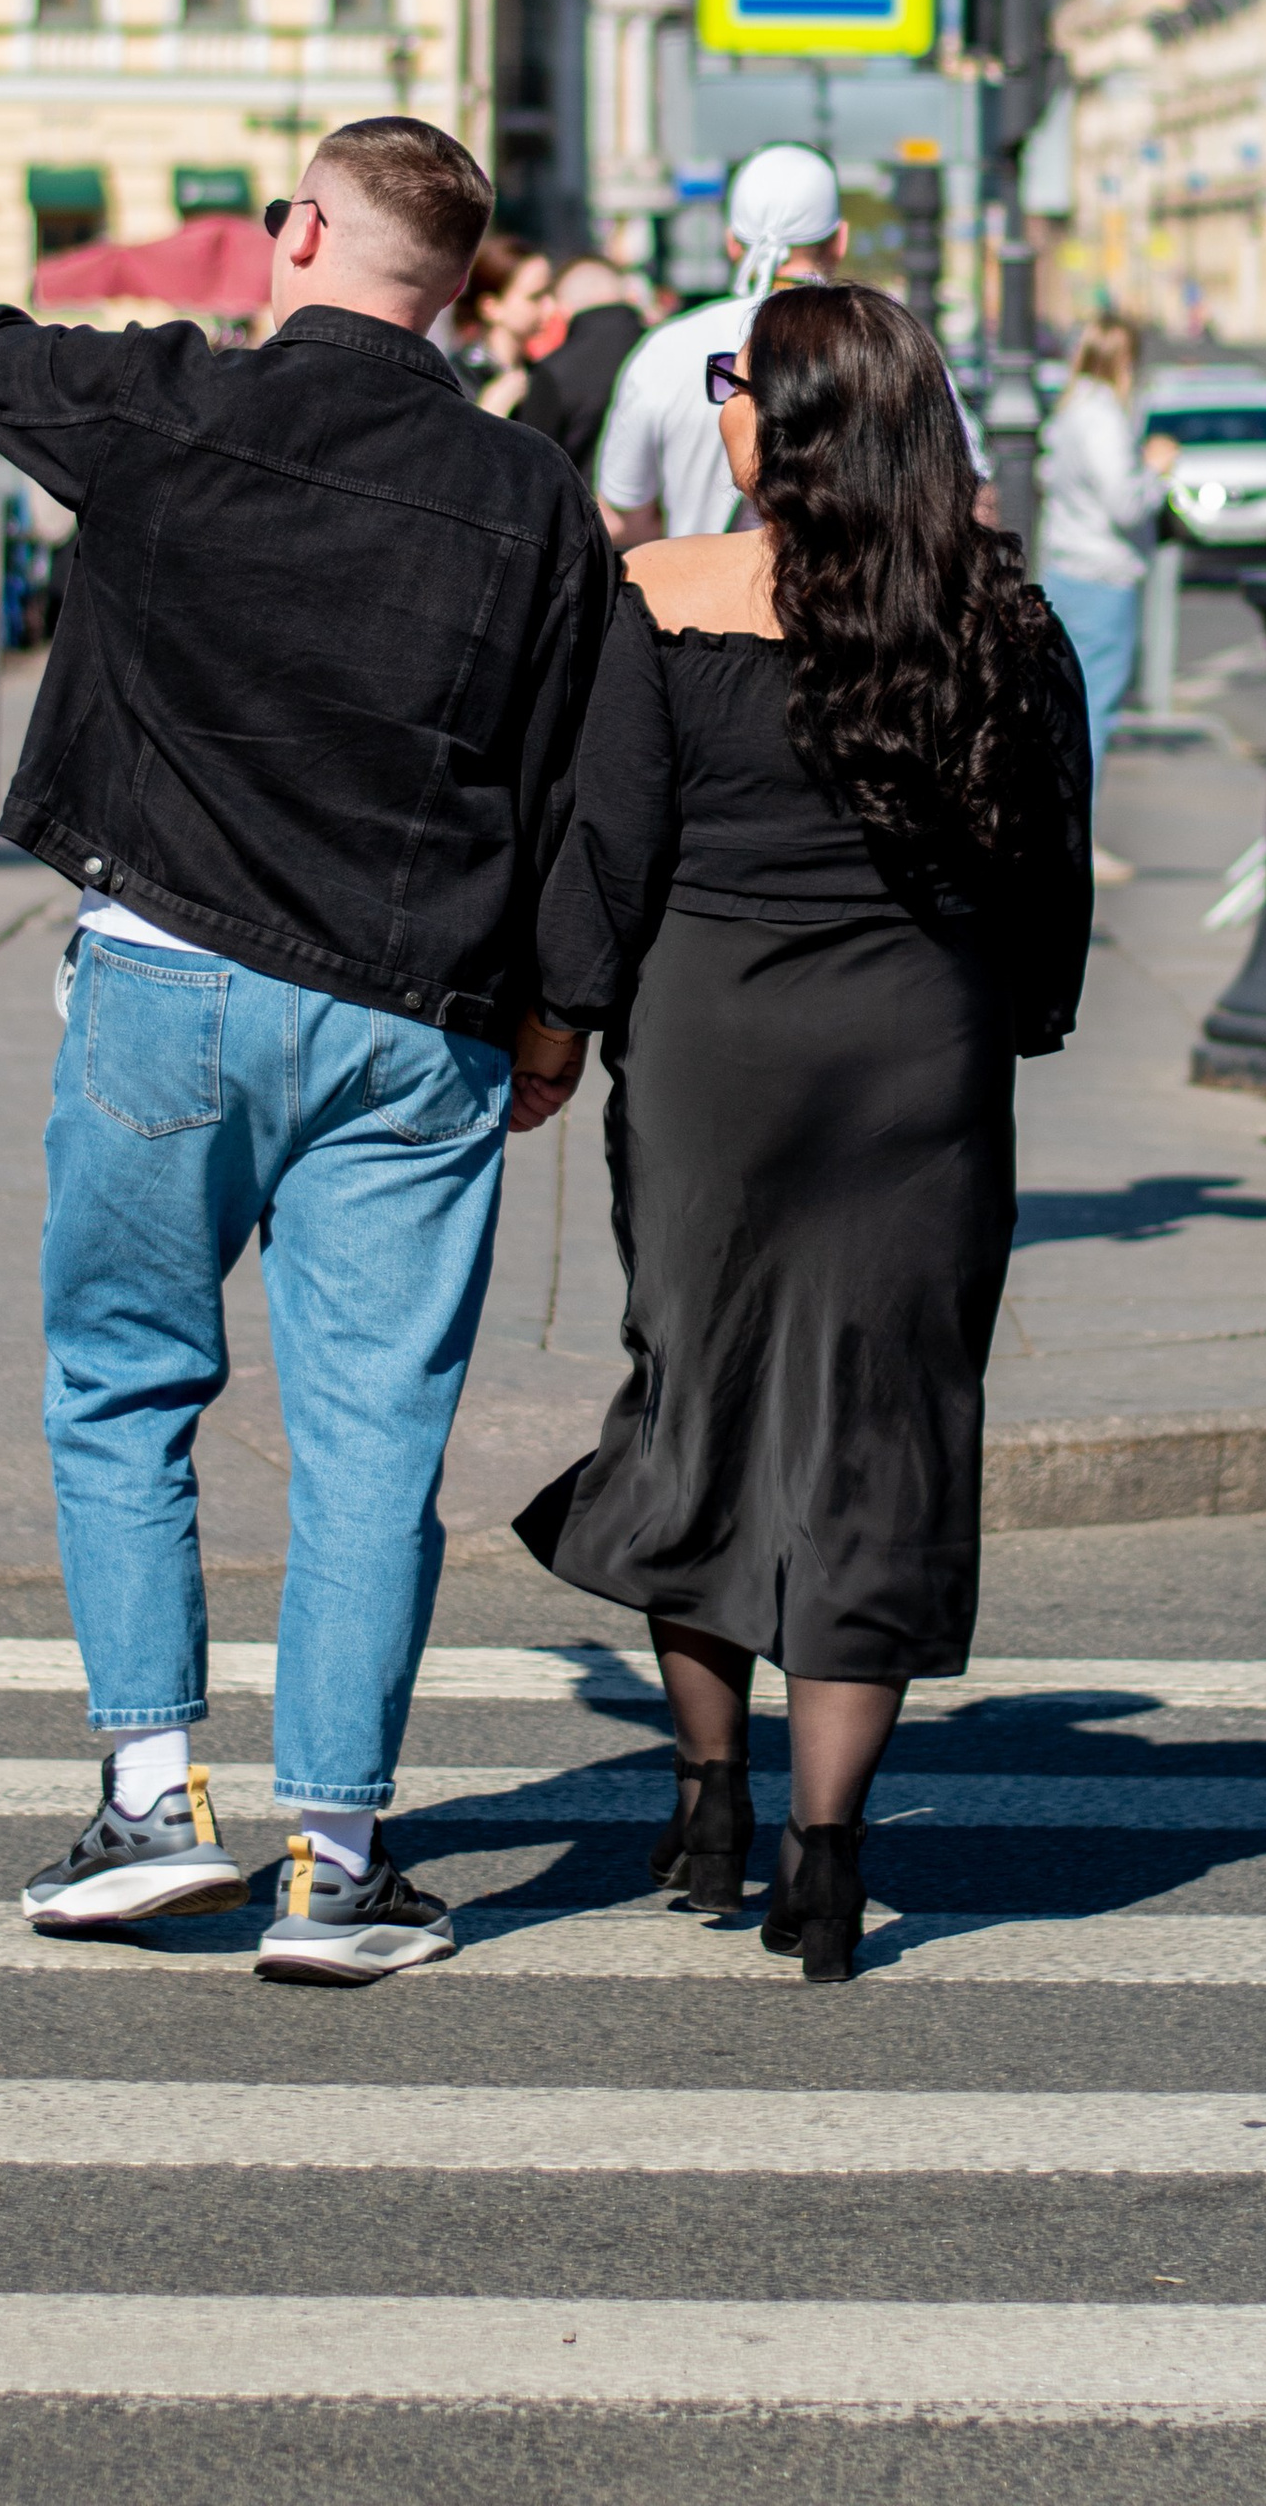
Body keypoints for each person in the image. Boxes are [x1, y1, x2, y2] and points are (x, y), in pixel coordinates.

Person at [0, 69, 618, 1983]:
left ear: (299, 236)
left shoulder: (172, 403)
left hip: (167, 981)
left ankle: (150, 1802)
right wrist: (562, 1022)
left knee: (127, 1386)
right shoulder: (531, 494)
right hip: (415, 1016)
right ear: (460, 291)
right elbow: (581, 782)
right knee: (376, 1440)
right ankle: (340, 1866)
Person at [514, 284, 1091, 1983]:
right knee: (882, 1432)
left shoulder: (664, 597)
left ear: (790, 426)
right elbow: (1048, 868)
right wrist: (1013, 1021)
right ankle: (827, 1858)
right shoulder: (1004, 620)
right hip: (921, 1060)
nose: (723, 402)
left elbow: (607, 852)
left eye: (738, 379)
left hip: (711, 1054)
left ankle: (710, 1800)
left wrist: (554, 1036)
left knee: (699, 1399)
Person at [595, 144, 846, 546]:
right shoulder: (887, 343)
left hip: (690, 583)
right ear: (839, 240)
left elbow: (624, 513)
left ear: (731, 242)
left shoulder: (666, 349)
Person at [1039, 318, 1179, 883]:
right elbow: (1126, 504)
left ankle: (1061, 835)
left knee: (1063, 708)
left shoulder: (1069, 410)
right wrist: (1157, 471)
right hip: (1104, 576)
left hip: (1067, 567)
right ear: (1125, 359)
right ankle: (1078, 842)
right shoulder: (1104, 417)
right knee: (1093, 713)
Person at [515, 255, 643, 484]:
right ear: (629, 296)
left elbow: (529, 472)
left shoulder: (553, 372)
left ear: (563, 309)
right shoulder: (665, 352)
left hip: (583, 503)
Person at [456, 232, 553, 416]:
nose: (550, 307)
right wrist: (493, 409)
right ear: (491, 307)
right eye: (535, 297)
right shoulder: (460, 376)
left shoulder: (540, 376)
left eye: (550, 293)